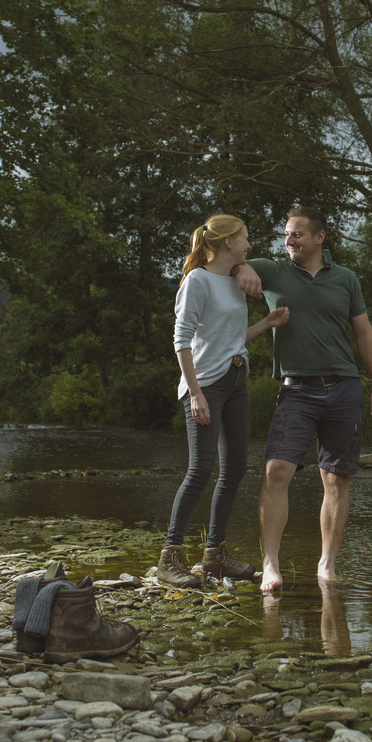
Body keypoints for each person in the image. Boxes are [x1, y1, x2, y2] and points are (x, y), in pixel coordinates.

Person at [234, 206, 372, 591]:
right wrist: (244, 267)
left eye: (298, 234)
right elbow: (225, 260)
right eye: (286, 234)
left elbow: (365, 334)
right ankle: (270, 565)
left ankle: (327, 564)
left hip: (344, 387)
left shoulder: (346, 279)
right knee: (276, 472)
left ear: (320, 238)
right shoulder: (272, 270)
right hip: (296, 390)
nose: (289, 240)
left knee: (336, 479)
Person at [157, 214, 289, 589]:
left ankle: (214, 556)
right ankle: (170, 558)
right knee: (200, 470)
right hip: (207, 385)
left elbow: (230, 336)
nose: (250, 244)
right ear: (228, 242)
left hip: (236, 381)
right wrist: (195, 393)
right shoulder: (197, 280)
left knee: (235, 469)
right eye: (246, 238)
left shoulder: (234, 281)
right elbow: (181, 340)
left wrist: (267, 324)